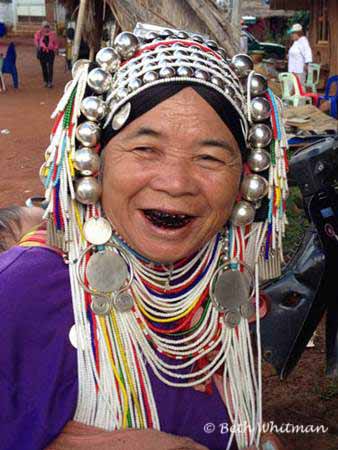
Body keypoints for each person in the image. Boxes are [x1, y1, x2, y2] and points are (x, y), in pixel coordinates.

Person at [0, 26, 288, 450]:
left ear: (246, 179)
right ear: (95, 160)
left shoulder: (217, 286)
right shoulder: (20, 292)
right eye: (145, 149)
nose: (175, 183)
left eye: (209, 157)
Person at [34, 20, 59, 88]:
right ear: (42, 27)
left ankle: (50, 82)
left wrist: (56, 49)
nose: (46, 28)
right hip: (42, 52)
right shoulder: (38, 33)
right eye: (45, 27)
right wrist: (38, 47)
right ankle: (46, 81)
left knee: (50, 67)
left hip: (50, 52)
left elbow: (56, 43)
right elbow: (36, 41)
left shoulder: (53, 34)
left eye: (47, 27)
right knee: (44, 67)